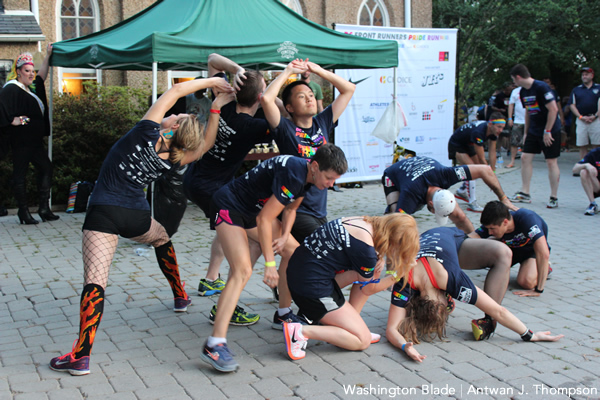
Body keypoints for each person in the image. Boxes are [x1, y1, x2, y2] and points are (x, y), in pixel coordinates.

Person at [49, 76, 234, 376]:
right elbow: (206, 145)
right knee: (161, 238)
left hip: (103, 214)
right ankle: (180, 295)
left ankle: (81, 356)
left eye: (175, 115)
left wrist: (212, 80)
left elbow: (176, 90)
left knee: (95, 281)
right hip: (136, 217)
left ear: (172, 128)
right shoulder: (176, 157)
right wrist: (215, 108)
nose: (172, 113)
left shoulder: (145, 130)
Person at [201, 144, 347, 373]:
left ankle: (283, 314)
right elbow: (264, 220)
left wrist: (285, 235)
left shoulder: (307, 176)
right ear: (315, 166)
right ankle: (214, 344)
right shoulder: (293, 174)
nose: (331, 184)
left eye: (335, 180)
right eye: (329, 178)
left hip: (253, 211)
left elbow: (290, 210)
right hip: (229, 206)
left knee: (294, 252)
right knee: (243, 271)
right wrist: (270, 264)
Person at [386, 227, 564, 362]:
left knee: (502, 253)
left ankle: (493, 234)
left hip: (453, 237)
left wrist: (530, 335)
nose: (450, 306)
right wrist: (405, 346)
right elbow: (391, 329)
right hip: (427, 239)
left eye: (447, 307)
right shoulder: (403, 282)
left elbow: (499, 311)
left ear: (440, 302)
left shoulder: (452, 280)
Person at [183, 54, 270, 320]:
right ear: (260, 97)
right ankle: (227, 304)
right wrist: (272, 98)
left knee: (225, 231)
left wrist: (236, 69)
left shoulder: (225, 101)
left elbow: (212, 60)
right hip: (212, 188)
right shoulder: (254, 126)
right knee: (248, 239)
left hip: (195, 180)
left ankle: (211, 279)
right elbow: (284, 120)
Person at [282, 213, 420, 361]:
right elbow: (368, 289)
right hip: (310, 288)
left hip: (301, 273)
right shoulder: (366, 251)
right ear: (394, 241)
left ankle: (350, 327)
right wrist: (398, 274)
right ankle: (300, 331)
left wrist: (377, 258)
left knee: (367, 272)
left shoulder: (362, 222)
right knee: (362, 340)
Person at [261, 58, 355, 243]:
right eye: (301, 96)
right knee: (326, 246)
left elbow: (349, 89)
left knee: (299, 254)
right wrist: (288, 71)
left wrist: (319, 70)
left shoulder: (322, 122)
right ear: (289, 107)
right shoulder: (285, 128)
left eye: (311, 95)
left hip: (319, 209)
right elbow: (266, 99)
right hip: (295, 208)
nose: (309, 98)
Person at [0, 44, 59, 224]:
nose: (31, 74)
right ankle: (23, 212)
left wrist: (47, 56)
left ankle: (44, 208)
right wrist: (14, 120)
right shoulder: (11, 88)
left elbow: (41, 76)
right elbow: (5, 111)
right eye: (27, 71)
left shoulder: (31, 88)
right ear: (18, 72)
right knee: (20, 174)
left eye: (32, 71)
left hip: (35, 141)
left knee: (46, 168)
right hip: (21, 141)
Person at [382, 155, 516, 234]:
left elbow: (485, 170)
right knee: (395, 220)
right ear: (431, 204)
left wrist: (503, 198)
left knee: (460, 216)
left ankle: (474, 242)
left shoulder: (447, 175)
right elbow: (397, 226)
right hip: (393, 175)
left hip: (425, 172)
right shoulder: (409, 195)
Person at [471, 201, 551, 295]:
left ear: (505, 222)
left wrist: (539, 290)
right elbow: (472, 236)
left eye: (492, 229)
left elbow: (543, 253)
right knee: (483, 248)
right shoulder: (495, 221)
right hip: (512, 250)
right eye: (488, 229)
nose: (489, 232)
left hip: (530, 252)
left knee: (526, 282)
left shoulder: (527, 219)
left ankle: (545, 268)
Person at [509, 64, 561, 208]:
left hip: (550, 129)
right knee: (525, 158)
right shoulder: (522, 92)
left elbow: (553, 109)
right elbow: (528, 111)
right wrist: (526, 132)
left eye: (513, 79)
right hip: (534, 130)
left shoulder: (542, 87)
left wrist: (548, 131)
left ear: (518, 77)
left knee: (551, 161)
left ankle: (554, 197)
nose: (513, 82)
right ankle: (525, 193)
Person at [448, 112, 506, 212]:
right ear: (490, 124)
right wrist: (491, 180)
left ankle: (462, 190)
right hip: (457, 144)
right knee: (472, 171)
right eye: (499, 127)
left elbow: (492, 153)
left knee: (477, 170)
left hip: (468, 144)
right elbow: (482, 160)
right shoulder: (479, 132)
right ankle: (472, 203)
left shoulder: (493, 132)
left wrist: (493, 173)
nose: (501, 130)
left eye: (502, 127)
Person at [569, 67, 600, 159]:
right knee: (582, 144)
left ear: (592, 75)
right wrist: (580, 117)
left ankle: (596, 165)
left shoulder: (598, 88)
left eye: (586, 74)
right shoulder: (576, 89)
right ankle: (583, 164)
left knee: (597, 144)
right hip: (581, 120)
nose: (584, 76)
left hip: (596, 119)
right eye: (583, 75)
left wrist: (596, 116)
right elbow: (572, 105)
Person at [572, 147, 600, 215]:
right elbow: (575, 169)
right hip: (597, 185)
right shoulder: (595, 152)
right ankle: (593, 204)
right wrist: (586, 165)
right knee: (583, 172)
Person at [506, 85, 526, 168]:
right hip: (517, 120)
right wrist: (510, 118)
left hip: (529, 121)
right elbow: (511, 105)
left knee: (527, 142)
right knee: (514, 141)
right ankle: (512, 161)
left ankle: (526, 162)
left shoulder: (531, 90)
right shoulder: (515, 91)